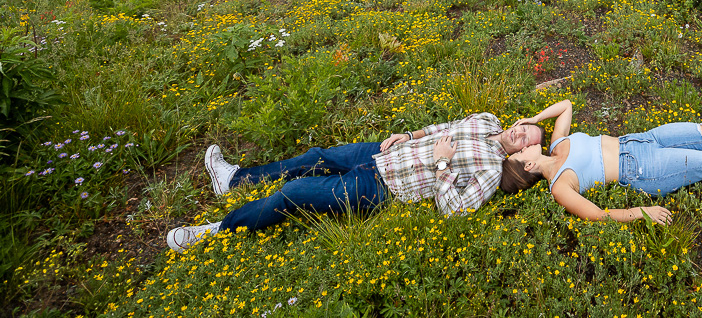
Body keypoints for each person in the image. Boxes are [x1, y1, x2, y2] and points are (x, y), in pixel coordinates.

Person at [166, 113, 542, 251]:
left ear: (522, 155)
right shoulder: (489, 121)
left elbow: (456, 212)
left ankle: (214, 231)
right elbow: (444, 127)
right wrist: (410, 135)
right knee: (314, 157)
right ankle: (232, 179)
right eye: (525, 126)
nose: (521, 133)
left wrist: (443, 164)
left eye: (529, 140)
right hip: (381, 153)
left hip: (387, 187)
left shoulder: (492, 171)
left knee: (295, 194)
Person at [499, 99, 702, 224]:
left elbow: (566, 106)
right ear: (527, 166)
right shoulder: (559, 185)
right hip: (643, 170)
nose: (524, 144)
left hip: (642, 139)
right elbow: (597, 215)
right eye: (520, 152)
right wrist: (641, 212)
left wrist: (534, 117)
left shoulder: (557, 143)